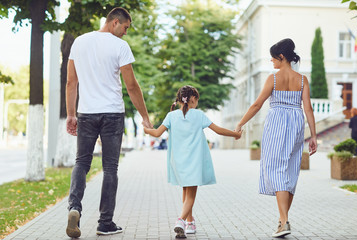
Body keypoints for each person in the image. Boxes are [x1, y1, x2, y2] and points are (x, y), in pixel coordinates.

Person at [65, 7, 152, 238]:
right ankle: (105, 223)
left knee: (81, 162)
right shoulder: (119, 46)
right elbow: (131, 86)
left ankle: (74, 207)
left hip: (86, 113)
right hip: (112, 114)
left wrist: (71, 114)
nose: (125, 33)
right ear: (114, 22)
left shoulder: (80, 42)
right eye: (125, 28)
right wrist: (144, 116)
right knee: (110, 168)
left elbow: (71, 83)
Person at [235, 38, 317, 238]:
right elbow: (308, 108)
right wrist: (313, 135)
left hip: (277, 122)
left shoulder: (272, 78)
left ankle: (284, 221)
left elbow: (257, 105)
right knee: (289, 170)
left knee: (276, 169)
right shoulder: (302, 79)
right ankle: (282, 221)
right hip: (297, 122)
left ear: (281, 57)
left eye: (273, 58)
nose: (271, 62)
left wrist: (240, 123)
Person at [143, 85, 242, 238]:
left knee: (185, 190)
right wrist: (235, 134)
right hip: (194, 160)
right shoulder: (198, 115)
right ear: (193, 99)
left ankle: (190, 222)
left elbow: (156, 133)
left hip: (178, 161)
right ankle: (180, 220)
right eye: (197, 100)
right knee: (191, 194)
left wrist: (146, 129)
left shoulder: (172, 116)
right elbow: (218, 130)